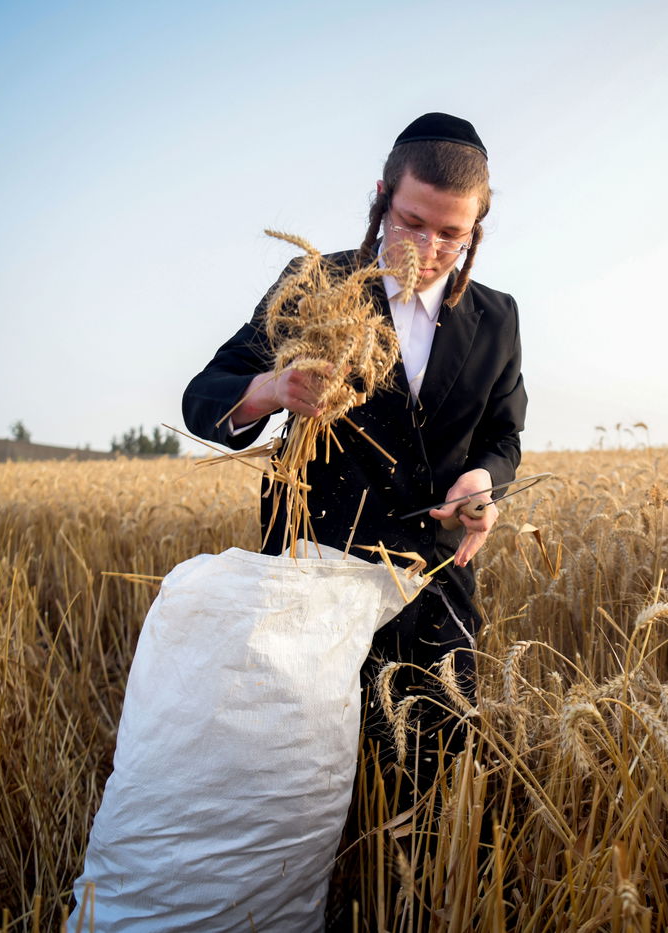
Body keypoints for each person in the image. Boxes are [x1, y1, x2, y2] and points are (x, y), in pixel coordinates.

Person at [182, 112, 526, 804]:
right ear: (381, 198)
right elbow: (203, 399)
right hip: (314, 580)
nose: (426, 247)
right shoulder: (313, 283)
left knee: (434, 789)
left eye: (451, 235)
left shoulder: (499, 316)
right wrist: (273, 387)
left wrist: (482, 481)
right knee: (305, 793)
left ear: (476, 233)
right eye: (411, 221)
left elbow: (503, 433)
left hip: (433, 581)